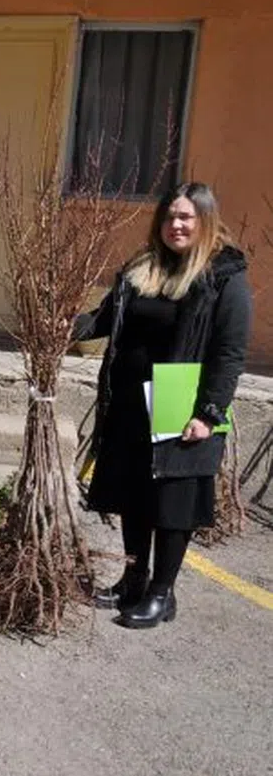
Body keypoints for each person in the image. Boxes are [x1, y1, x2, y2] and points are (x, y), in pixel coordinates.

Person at [78, 182, 251, 629]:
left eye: (186, 217)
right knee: (136, 496)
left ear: (205, 222)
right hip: (133, 404)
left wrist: (208, 413)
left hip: (182, 405)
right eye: (170, 216)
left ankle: (162, 592)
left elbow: (229, 353)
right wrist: (68, 324)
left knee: (173, 504)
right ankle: (134, 579)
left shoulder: (223, 277)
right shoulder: (143, 268)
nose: (175, 224)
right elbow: (106, 316)